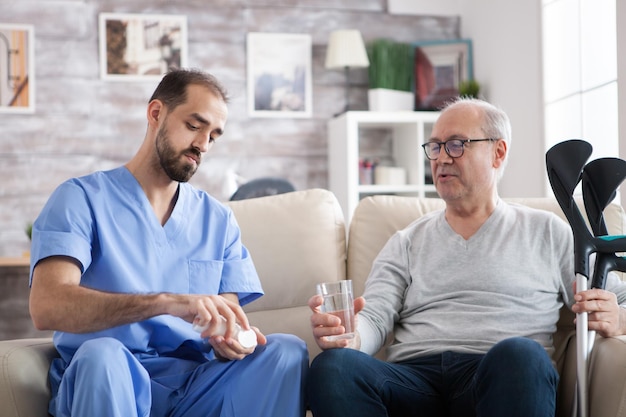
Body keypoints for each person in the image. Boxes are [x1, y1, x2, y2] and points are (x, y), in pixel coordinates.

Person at [307, 97, 626, 417]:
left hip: (499, 375)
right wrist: (348, 335)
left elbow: (619, 297)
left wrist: (618, 317)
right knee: (334, 366)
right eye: (435, 146)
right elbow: (374, 316)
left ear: (498, 152)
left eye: (457, 145)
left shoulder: (547, 231)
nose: (442, 158)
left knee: (521, 354)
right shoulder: (407, 241)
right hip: (415, 382)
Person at [29, 68, 308, 417]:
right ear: (156, 113)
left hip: (197, 387)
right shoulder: (80, 199)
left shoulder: (218, 220)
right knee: (103, 356)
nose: (203, 145)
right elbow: (47, 306)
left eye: (213, 136)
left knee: (287, 352)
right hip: (112, 378)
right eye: (194, 126)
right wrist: (164, 303)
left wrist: (227, 340)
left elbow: (227, 321)